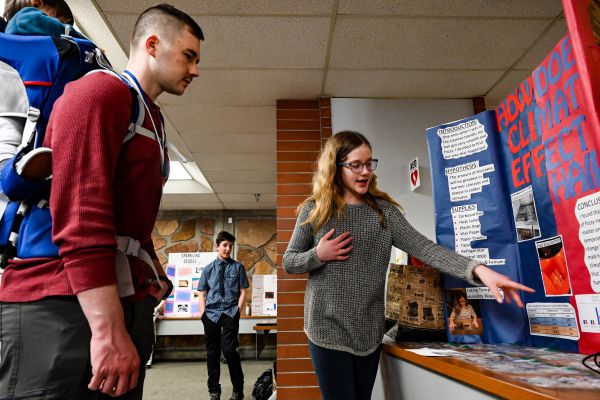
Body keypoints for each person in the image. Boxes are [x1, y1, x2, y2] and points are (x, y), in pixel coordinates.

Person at [0, 3, 203, 399]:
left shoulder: (151, 118)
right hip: (57, 302)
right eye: (189, 56)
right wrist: (107, 331)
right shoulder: (102, 91)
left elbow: (128, 221)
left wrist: (152, 276)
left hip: (115, 298)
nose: (196, 70)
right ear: (152, 44)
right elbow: (82, 216)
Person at [283, 130, 535, 400]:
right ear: (335, 168)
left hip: (368, 331)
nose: (365, 171)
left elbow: (425, 248)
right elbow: (290, 261)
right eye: (355, 165)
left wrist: (479, 270)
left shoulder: (384, 213)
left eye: (369, 163)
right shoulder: (315, 210)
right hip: (326, 327)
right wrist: (318, 254)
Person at [198, 231, 249, 400]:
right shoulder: (208, 269)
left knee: (229, 351)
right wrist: (203, 315)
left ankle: (238, 390)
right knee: (212, 353)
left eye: (230, 246)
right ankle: (214, 391)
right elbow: (202, 294)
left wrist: (237, 312)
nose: (228, 249)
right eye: (225, 245)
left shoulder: (238, 267)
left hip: (230, 313)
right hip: (211, 315)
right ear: (217, 246)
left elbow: (243, 292)